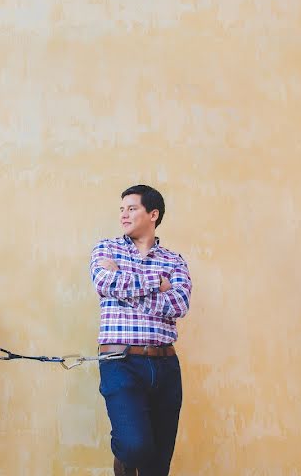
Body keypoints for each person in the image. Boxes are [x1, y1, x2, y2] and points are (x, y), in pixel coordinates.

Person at [90, 185, 192, 476]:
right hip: (120, 362)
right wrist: (156, 283)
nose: (123, 215)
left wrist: (125, 282)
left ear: (153, 214)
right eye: (121, 209)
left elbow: (179, 303)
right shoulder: (106, 249)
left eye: (131, 208)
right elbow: (104, 284)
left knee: (158, 463)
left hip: (165, 364)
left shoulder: (174, 260)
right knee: (134, 446)